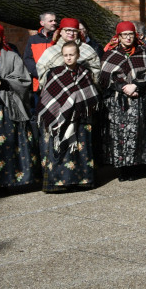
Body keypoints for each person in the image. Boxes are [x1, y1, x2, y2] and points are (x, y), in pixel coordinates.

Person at [98, 22, 146, 181]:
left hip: (140, 99)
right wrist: (123, 87)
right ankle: (123, 169)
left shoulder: (143, 51)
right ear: (119, 37)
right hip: (119, 101)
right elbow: (104, 77)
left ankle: (138, 167)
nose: (128, 38)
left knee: (139, 134)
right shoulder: (111, 53)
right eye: (124, 35)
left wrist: (135, 85)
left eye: (131, 34)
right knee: (120, 136)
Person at [38, 41, 100, 192]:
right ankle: (59, 182)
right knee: (60, 149)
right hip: (59, 119)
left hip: (80, 119)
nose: (68, 58)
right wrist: (63, 110)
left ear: (78, 55)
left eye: (72, 55)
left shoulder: (85, 73)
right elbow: (48, 96)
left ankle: (81, 180)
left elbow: (92, 95)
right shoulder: (55, 73)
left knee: (80, 148)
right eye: (65, 55)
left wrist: (75, 102)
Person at [0, 23, 39, 196]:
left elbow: (24, 80)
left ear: (1, 38)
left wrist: (3, 82)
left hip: (5, 109)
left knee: (4, 147)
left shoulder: (11, 56)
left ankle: (3, 183)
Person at [35, 18, 100, 86]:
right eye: (68, 30)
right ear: (60, 31)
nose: (71, 33)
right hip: (57, 89)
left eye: (75, 31)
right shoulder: (50, 51)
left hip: (83, 89)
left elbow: (95, 71)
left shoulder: (87, 49)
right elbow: (41, 70)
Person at [23, 10, 58, 95]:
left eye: (55, 20)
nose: (54, 23)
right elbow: (27, 58)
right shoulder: (33, 39)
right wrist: (38, 72)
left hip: (56, 80)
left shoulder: (59, 38)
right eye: (50, 21)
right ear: (42, 23)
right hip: (38, 82)